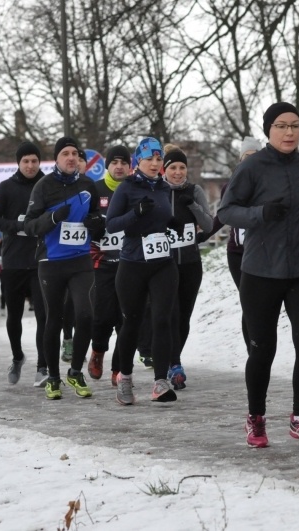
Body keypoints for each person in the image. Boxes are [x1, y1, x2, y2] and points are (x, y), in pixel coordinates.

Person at [219, 102, 299, 449]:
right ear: (269, 130)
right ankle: (256, 418)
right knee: (263, 349)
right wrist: (261, 213)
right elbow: (227, 211)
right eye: (282, 126)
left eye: (296, 126)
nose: (290, 132)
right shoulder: (252, 167)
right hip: (261, 271)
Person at [24, 137, 105, 400]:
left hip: (80, 260)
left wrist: (95, 222)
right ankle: (54, 377)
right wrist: (53, 217)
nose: (71, 158)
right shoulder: (43, 186)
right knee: (54, 320)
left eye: (75, 154)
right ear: (57, 159)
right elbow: (30, 226)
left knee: (85, 316)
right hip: (51, 262)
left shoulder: (87, 185)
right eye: (65, 154)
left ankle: (75, 372)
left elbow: (97, 220)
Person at [106, 137, 183, 405]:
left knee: (162, 319)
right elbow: (112, 224)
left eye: (158, 159)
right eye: (149, 159)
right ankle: (124, 378)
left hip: (163, 263)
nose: (154, 163)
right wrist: (134, 214)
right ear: (138, 161)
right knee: (132, 323)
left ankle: (160, 382)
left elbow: (161, 217)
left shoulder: (164, 188)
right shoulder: (126, 188)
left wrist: (172, 223)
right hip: (133, 265)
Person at [0, 141, 49, 386]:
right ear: (18, 163)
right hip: (13, 261)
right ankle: (17, 356)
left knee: (44, 315)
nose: (30, 165)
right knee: (14, 315)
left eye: (34, 161)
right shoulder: (6, 187)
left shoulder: (47, 186)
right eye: (26, 161)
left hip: (41, 259)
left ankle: (43, 366)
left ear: (39, 162)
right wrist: (18, 226)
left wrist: (41, 225)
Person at [197, 136, 262, 352]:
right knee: (249, 302)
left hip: (262, 251)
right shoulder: (230, 186)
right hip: (237, 254)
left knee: (259, 304)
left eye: (254, 156)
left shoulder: (268, 185)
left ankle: (260, 347)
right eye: (246, 157)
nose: (250, 161)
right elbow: (222, 216)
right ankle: (252, 351)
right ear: (240, 159)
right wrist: (205, 234)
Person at [163, 145, 213, 390]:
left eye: (182, 167)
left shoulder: (195, 191)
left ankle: (174, 362)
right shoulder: (157, 191)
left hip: (191, 264)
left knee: (183, 317)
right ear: (164, 170)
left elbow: (208, 223)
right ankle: (174, 364)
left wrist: (192, 206)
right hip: (163, 265)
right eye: (173, 167)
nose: (178, 172)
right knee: (169, 315)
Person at [88, 145, 131, 386]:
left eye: (123, 162)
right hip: (101, 262)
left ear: (130, 166)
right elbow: (83, 219)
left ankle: (120, 368)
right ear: (107, 166)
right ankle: (97, 351)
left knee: (126, 318)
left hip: (129, 263)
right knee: (103, 315)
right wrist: (92, 223)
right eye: (114, 162)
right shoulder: (96, 190)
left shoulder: (134, 189)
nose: (119, 167)